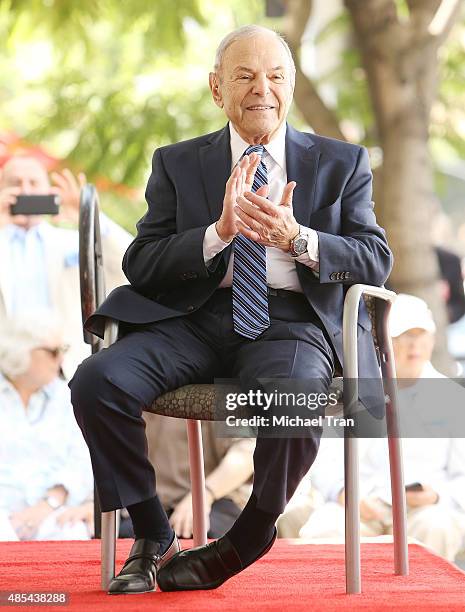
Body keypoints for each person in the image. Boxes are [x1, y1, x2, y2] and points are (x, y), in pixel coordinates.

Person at [70, 24, 392, 595]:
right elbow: (142, 262)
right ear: (217, 89)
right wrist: (216, 233)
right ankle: (149, 529)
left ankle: (248, 535)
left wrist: (300, 239)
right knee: (97, 379)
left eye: (275, 76)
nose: (260, 89)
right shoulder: (177, 162)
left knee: (295, 398)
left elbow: (374, 259)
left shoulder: (342, 163)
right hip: (192, 319)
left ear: (291, 86)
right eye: (244, 76)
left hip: (292, 323)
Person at [297, 294, 465, 562]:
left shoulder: (453, 398)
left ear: (432, 340)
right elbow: (322, 456)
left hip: (422, 512)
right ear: (383, 342)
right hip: (362, 505)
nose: (415, 345)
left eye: (421, 335)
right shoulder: (353, 389)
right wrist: (343, 492)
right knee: (323, 529)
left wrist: (436, 496)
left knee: (438, 526)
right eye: (403, 336)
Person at [0, 155, 133, 378]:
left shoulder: (71, 242)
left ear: (48, 191)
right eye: (15, 183)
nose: (25, 190)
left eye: (33, 183)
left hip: (62, 366)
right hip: (5, 366)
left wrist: (87, 217)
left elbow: (130, 262)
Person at [0, 313, 94, 541]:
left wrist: (50, 503)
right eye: (54, 352)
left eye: (63, 350)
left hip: (54, 512)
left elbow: (82, 459)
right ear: (21, 351)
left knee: (73, 533)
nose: (61, 359)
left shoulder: (66, 398)